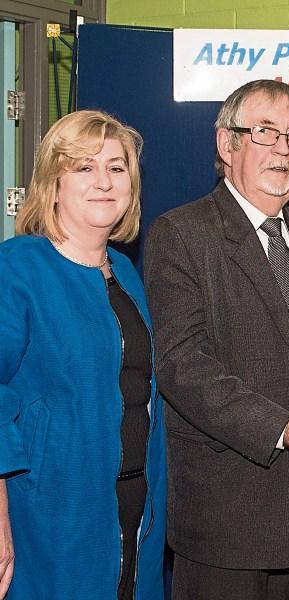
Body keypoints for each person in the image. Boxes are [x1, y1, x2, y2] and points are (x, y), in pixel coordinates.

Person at [144, 79, 289, 600]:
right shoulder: (181, 234)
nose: (283, 149)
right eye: (265, 132)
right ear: (227, 145)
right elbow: (182, 365)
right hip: (227, 508)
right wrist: (281, 429)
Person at [0, 110, 166, 599]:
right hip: (50, 519)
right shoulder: (17, 269)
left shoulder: (124, 274)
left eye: (116, 168)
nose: (103, 181)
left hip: (136, 514)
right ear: (53, 183)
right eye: (84, 167)